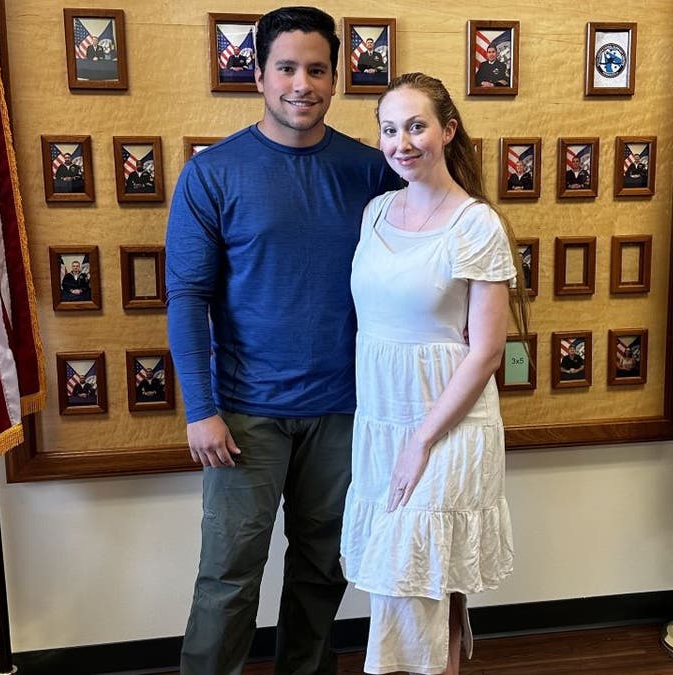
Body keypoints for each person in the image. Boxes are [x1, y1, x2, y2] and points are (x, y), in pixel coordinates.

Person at [165, 7, 402, 675]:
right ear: (259, 76)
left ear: (337, 78)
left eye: (317, 69)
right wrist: (199, 408)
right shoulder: (214, 174)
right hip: (244, 413)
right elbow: (187, 297)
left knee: (323, 568)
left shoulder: (371, 172)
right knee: (228, 574)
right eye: (287, 68)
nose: (303, 83)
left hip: (346, 410)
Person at [341, 71, 527, 675]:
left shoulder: (476, 224)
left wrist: (422, 439)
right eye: (390, 129)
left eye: (416, 125)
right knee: (415, 580)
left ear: (447, 130)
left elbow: (487, 352)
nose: (403, 142)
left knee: (420, 572)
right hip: (382, 418)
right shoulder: (373, 213)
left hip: (448, 422)